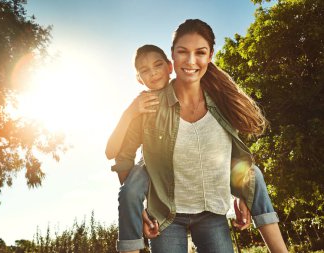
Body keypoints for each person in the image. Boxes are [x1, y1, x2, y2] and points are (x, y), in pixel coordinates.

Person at [109, 25, 287, 252]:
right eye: (183, 51)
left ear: (209, 56)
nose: (191, 60)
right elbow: (121, 156)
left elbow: (233, 158)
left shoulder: (223, 100)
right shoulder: (147, 106)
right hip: (166, 216)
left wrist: (245, 192)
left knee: (255, 174)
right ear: (173, 55)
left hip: (211, 212)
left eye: (200, 52)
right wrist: (137, 207)